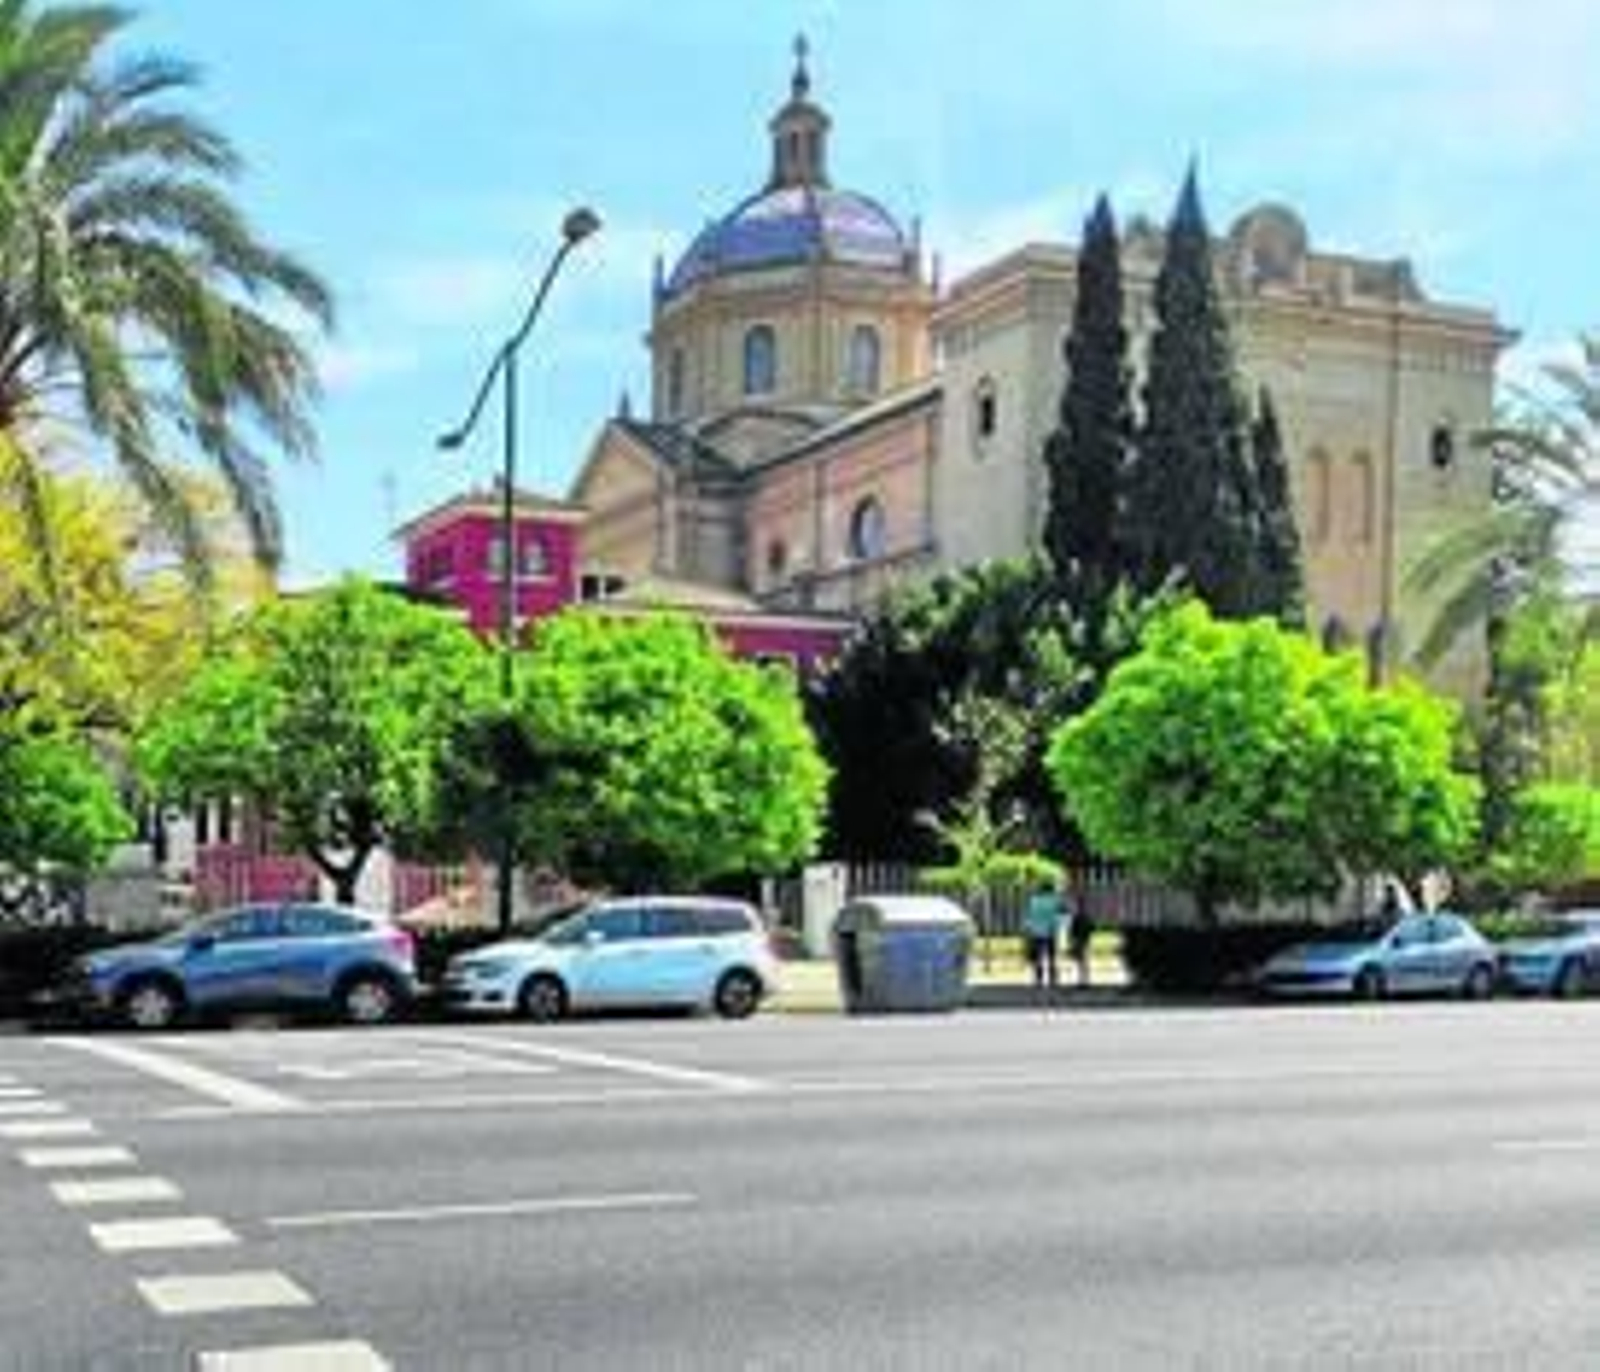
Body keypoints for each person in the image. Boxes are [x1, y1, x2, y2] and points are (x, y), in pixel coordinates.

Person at [1021, 880, 1063, 993]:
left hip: (1036, 932)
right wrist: (1057, 928)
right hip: (1050, 931)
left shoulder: (1033, 901)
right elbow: (1058, 916)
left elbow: (1029, 916)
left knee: (1038, 957)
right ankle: (1053, 980)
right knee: (1052, 957)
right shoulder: (1054, 900)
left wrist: (1027, 929)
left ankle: (1038, 980)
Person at [1067, 896, 1095, 988]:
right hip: (1084, 939)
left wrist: (1071, 939)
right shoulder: (1087, 916)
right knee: (1083, 960)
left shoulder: (1076, 917)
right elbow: (1091, 928)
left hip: (1079, 940)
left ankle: (1083, 981)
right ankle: (1084, 980)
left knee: (1081, 961)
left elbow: (1072, 930)